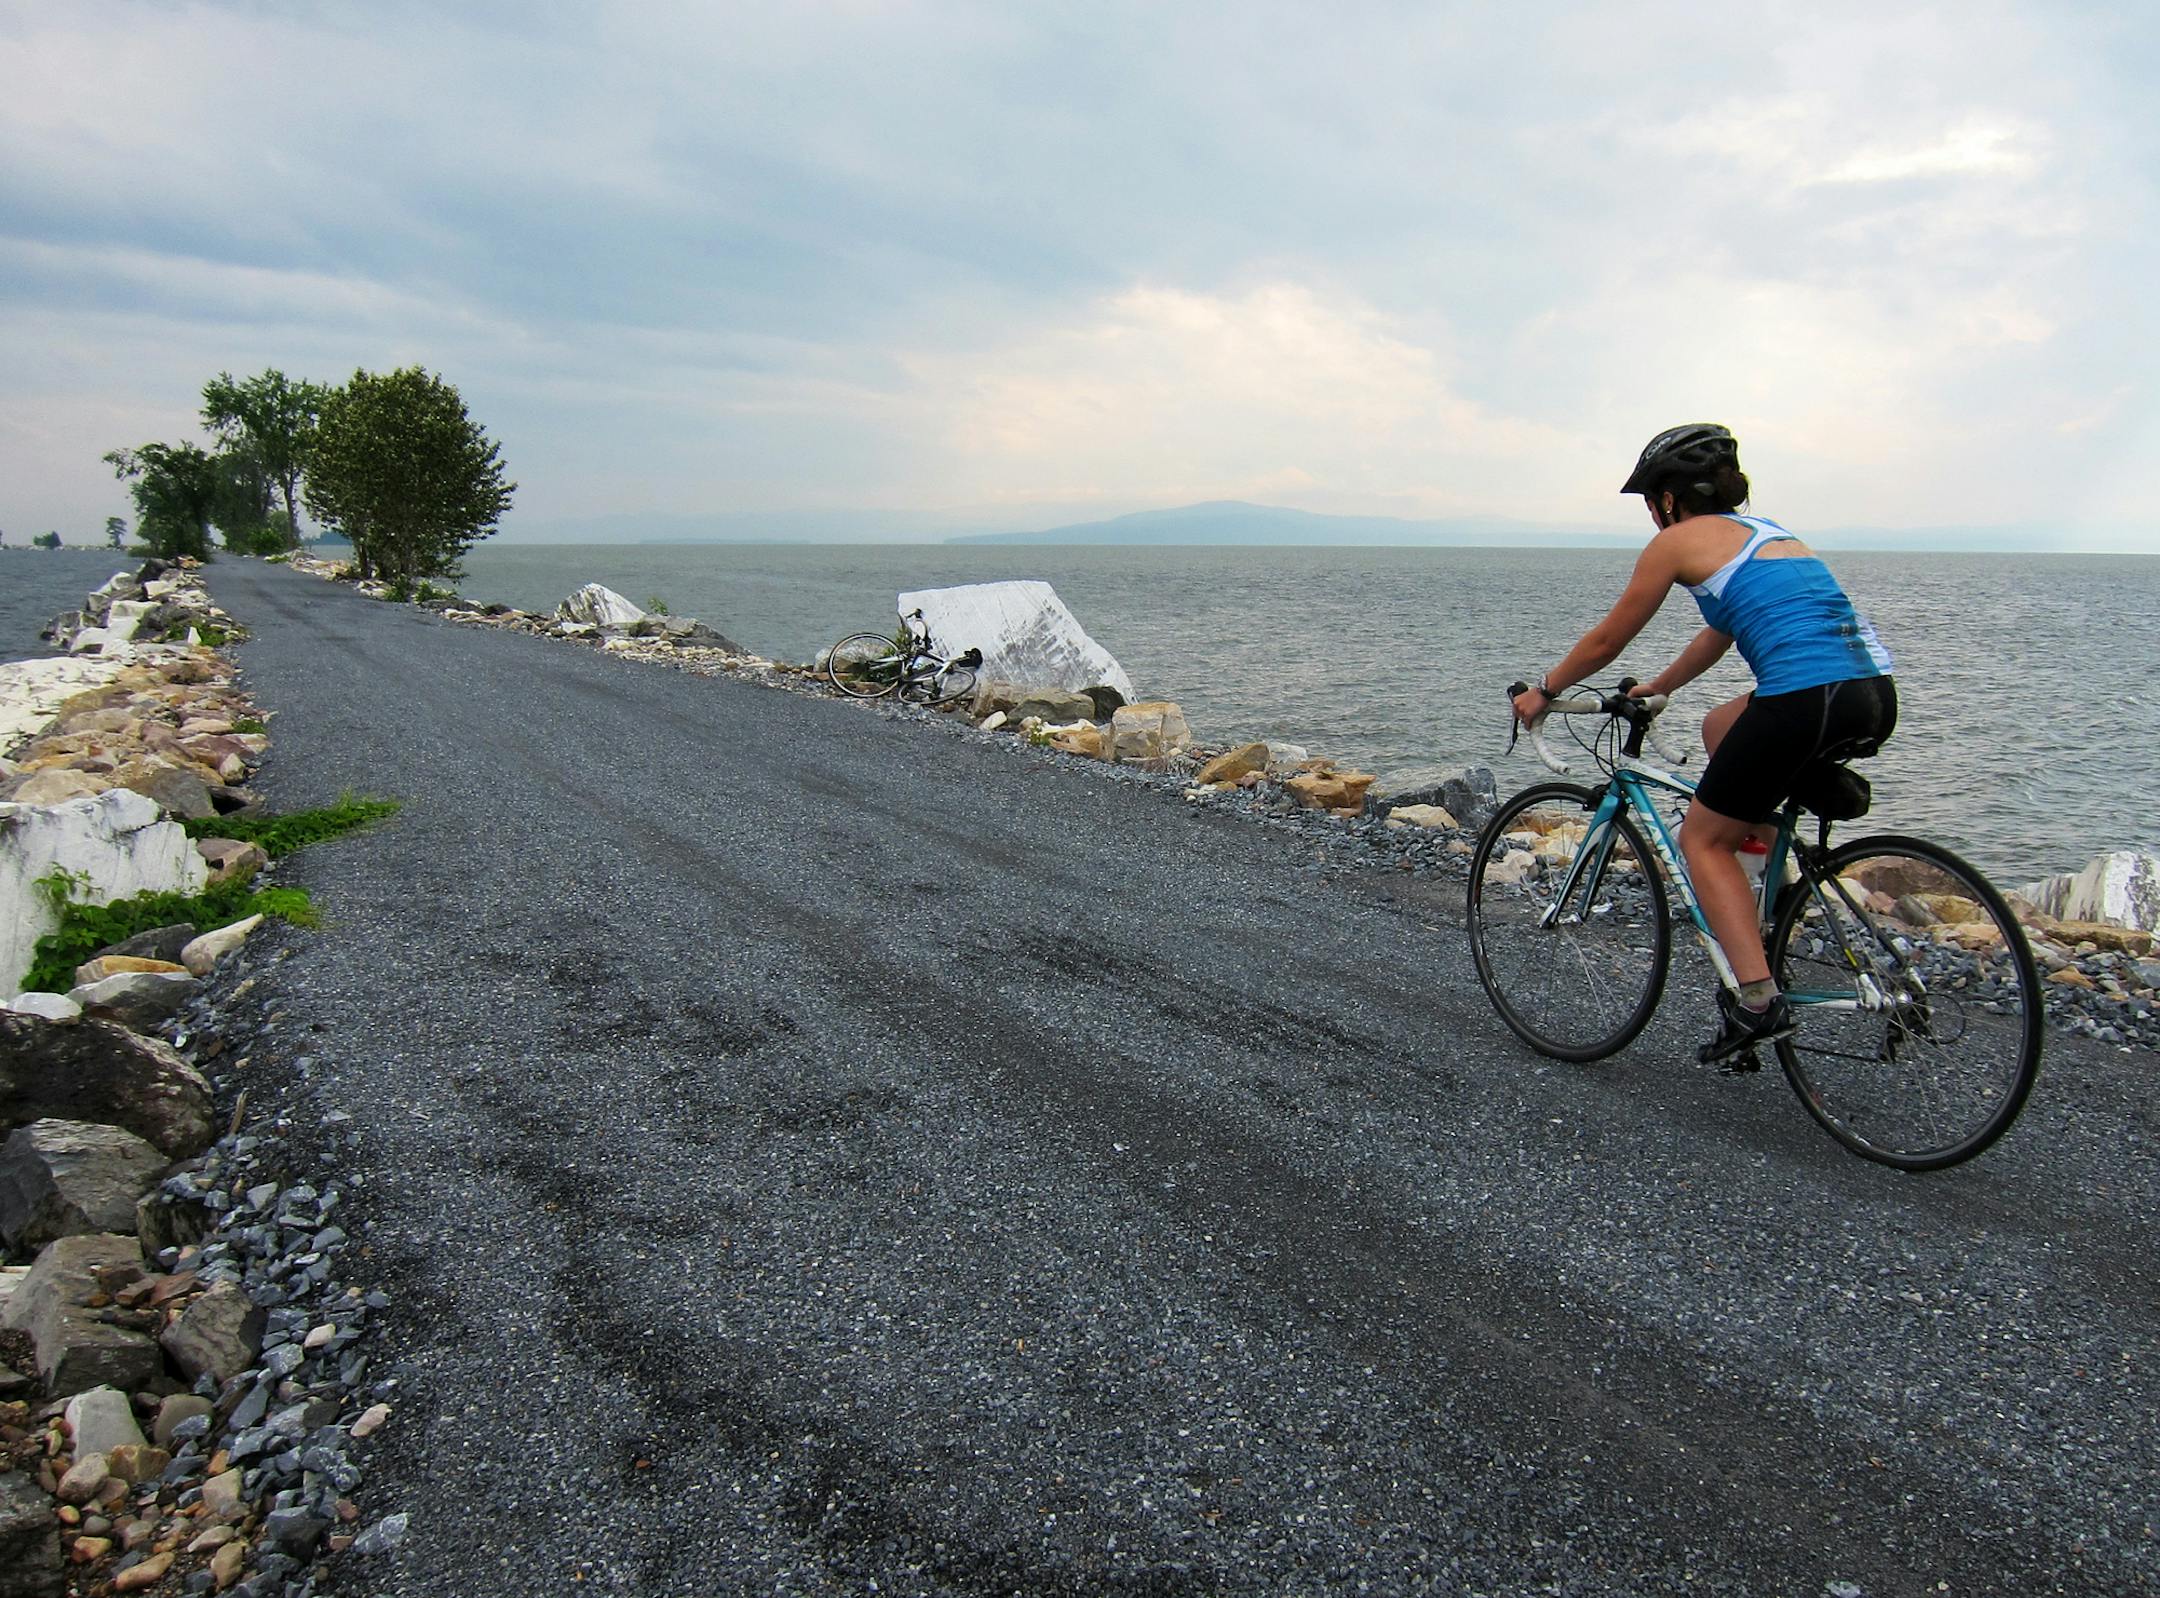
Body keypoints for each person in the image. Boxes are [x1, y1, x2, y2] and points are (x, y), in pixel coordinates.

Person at [1512, 423, 1897, 1064]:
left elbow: (1609, 640)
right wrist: (1660, 688)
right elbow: (1718, 633)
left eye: (1649, 503)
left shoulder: (1677, 543)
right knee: (1720, 726)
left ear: (1666, 500)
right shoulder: (1772, 536)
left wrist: (1545, 690)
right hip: (1870, 694)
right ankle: (1763, 892)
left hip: (1804, 700)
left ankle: (1754, 1000)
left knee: (1700, 839)